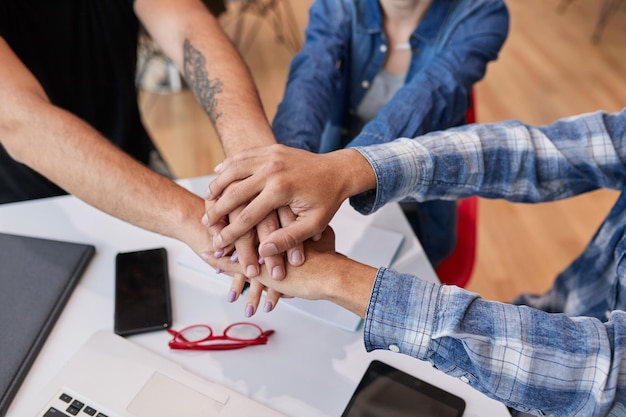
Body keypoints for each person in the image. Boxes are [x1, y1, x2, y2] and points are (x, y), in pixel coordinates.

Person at [207, 108, 626, 416]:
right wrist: (349, 167)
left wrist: (340, 278)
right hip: (537, 322)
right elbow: (534, 152)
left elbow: (605, 371)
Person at [0, 0, 288, 312]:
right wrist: (210, 226)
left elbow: (186, 22)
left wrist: (253, 161)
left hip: (133, 161)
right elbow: (21, 121)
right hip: (24, 212)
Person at [266, 0, 509, 267]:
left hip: (413, 207)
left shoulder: (481, 13)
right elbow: (310, 78)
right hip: (323, 191)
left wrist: (340, 173)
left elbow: (428, 96)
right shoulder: (340, 5)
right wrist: (285, 174)